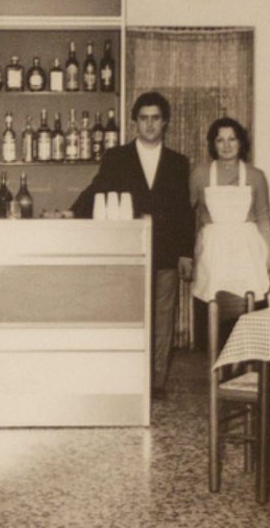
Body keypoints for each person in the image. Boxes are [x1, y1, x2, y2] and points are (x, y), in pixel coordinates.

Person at [70, 92, 195, 397]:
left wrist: (185, 253)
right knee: (127, 314)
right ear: (135, 122)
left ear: (165, 122)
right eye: (143, 118)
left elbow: (183, 212)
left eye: (155, 118)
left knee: (163, 318)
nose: (150, 124)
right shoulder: (117, 157)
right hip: (127, 250)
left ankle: (156, 383)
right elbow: (97, 190)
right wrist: (72, 212)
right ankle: (126, 378)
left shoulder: (179, 163)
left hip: (165, 251)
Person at [189, 116, 270, 347]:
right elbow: (187, 215)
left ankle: (248, 364)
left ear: (241, 143)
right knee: (215, 305)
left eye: (232, 139)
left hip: (247, 250)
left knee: (248, 306)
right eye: (220, 140)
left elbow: (264, 217)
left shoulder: (256, 175)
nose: (226, 145)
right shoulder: (200, 174)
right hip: (214, 251)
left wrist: (268, 256)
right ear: (212, 144)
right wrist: (189, 254)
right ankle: (216, 363)